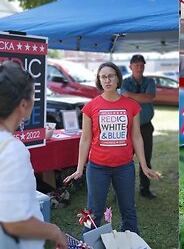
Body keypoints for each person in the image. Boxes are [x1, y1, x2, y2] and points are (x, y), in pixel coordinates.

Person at [64, 62, 160, 234]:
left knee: (128, 210)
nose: (107, 80)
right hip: (97, 167)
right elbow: (85, 139)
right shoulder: (90, 107)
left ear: (118, 78)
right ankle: (90, 244)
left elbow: (136, 137)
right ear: (99, 81)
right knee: (94, 211)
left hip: (124, 167)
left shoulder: (131, 106)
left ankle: (130, 242)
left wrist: (144, 166)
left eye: (111, 76)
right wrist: (79, 168)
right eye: (103, 77)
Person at [0, 61, 67, 249]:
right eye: (33, 95)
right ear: (22, 104)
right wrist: (54, 231)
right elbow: (15, 222)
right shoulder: (12, 149)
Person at [120, 54, 158, 199]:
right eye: (136, 65)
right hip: (128, 128)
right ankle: (124, 191)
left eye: (142, 65)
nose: (139, 67)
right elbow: (123, 98)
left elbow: (148, 97)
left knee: (146, 159)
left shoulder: (150, 81)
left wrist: (130, 95)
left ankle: (145, 189)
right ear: (130, 67)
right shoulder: (124, 82)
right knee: (125, 159)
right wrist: (138, 97)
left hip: (146, 127)